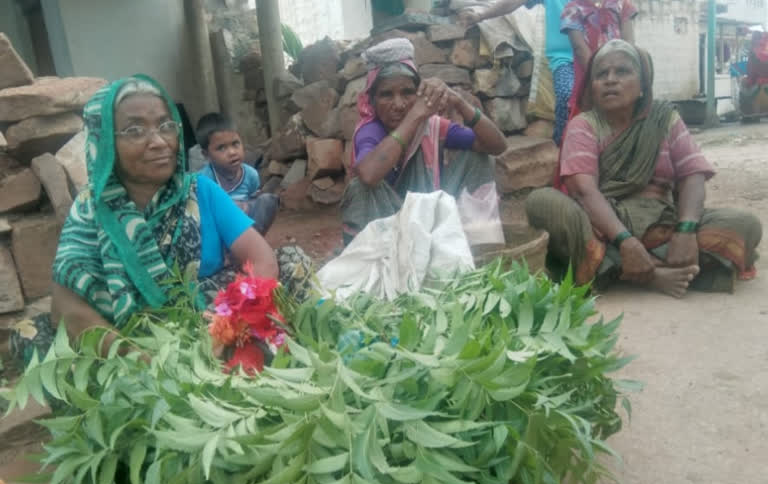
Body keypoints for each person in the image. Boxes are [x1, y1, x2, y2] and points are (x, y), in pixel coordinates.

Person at [10, 75, 312, 365]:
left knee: (291, 261)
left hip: (213, 323)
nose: (158, 141)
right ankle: (138, 408)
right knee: (31, 336)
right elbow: (68, 309)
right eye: (134, 130)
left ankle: (262, 363)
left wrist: (229, 323)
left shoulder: (200, 190)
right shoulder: (90, 211)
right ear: (105, 143)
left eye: (166, 125)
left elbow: (261, 258)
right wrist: (147, 363)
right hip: (131, 340)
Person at [525, 41, 762, 297]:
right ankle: (649, 272)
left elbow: (692, 174)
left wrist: (686, 230)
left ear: (642, 85)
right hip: (605, 227)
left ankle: (620, 268)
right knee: (541, 202)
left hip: (664, 224)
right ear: (592, 88)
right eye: (601, 74)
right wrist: (625, 240)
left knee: (746, 224)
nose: (610, 80)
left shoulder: (664, 118)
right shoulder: (584, 126)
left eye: (622, 71)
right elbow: (583, 191)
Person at [341, 38, 507, 245]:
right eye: (386, 95)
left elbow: (497, 146)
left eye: (407, 93)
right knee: (360, 189)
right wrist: (414, 117)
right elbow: (368, 174)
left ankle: (480, 245)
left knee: (479, 158)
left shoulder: (430, 126)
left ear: (418, 93)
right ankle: (368, 265)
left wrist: (459, 102)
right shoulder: (371, 131)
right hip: (386, 229)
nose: (399, 104)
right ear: (372, 101)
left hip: (427, 220)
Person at [460, 0, 575, 146]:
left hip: (598, 56)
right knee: (566, 95)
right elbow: (513, 2)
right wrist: (481, 16)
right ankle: (563, 148)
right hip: (564, 58)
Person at [194, 113, 279, 235]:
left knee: (268, 201)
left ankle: (253, 241)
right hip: (220, 231)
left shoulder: (251, 175)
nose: (232, 152)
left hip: (246, 226)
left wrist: (246, 206)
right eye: (222, 148)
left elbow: (253, 199)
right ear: (206, 155)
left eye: (235, 144)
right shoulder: (203, 180)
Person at [561, 0, 638, 116]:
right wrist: (600, 75)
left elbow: (629, 43)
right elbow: (579, 48)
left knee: (622, 111)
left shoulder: (622, 4)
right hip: (589, 73)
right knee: (589, 116)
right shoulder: (573, 8)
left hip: (620, 70)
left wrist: (622, 70)